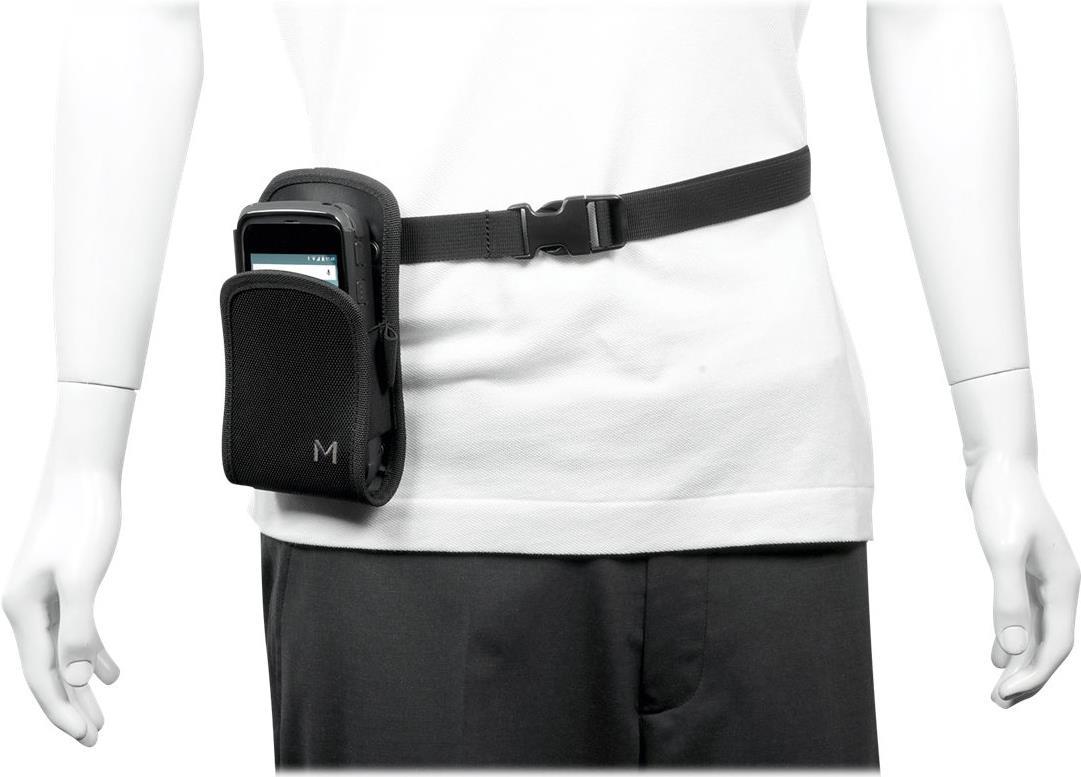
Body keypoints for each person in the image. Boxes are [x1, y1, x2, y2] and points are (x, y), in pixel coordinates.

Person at [4, 0, 1078, 769]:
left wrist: (1001, 444)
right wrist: (84, 453)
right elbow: (129, 23)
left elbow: (935, 20)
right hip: (399, 496)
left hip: (763, 469)